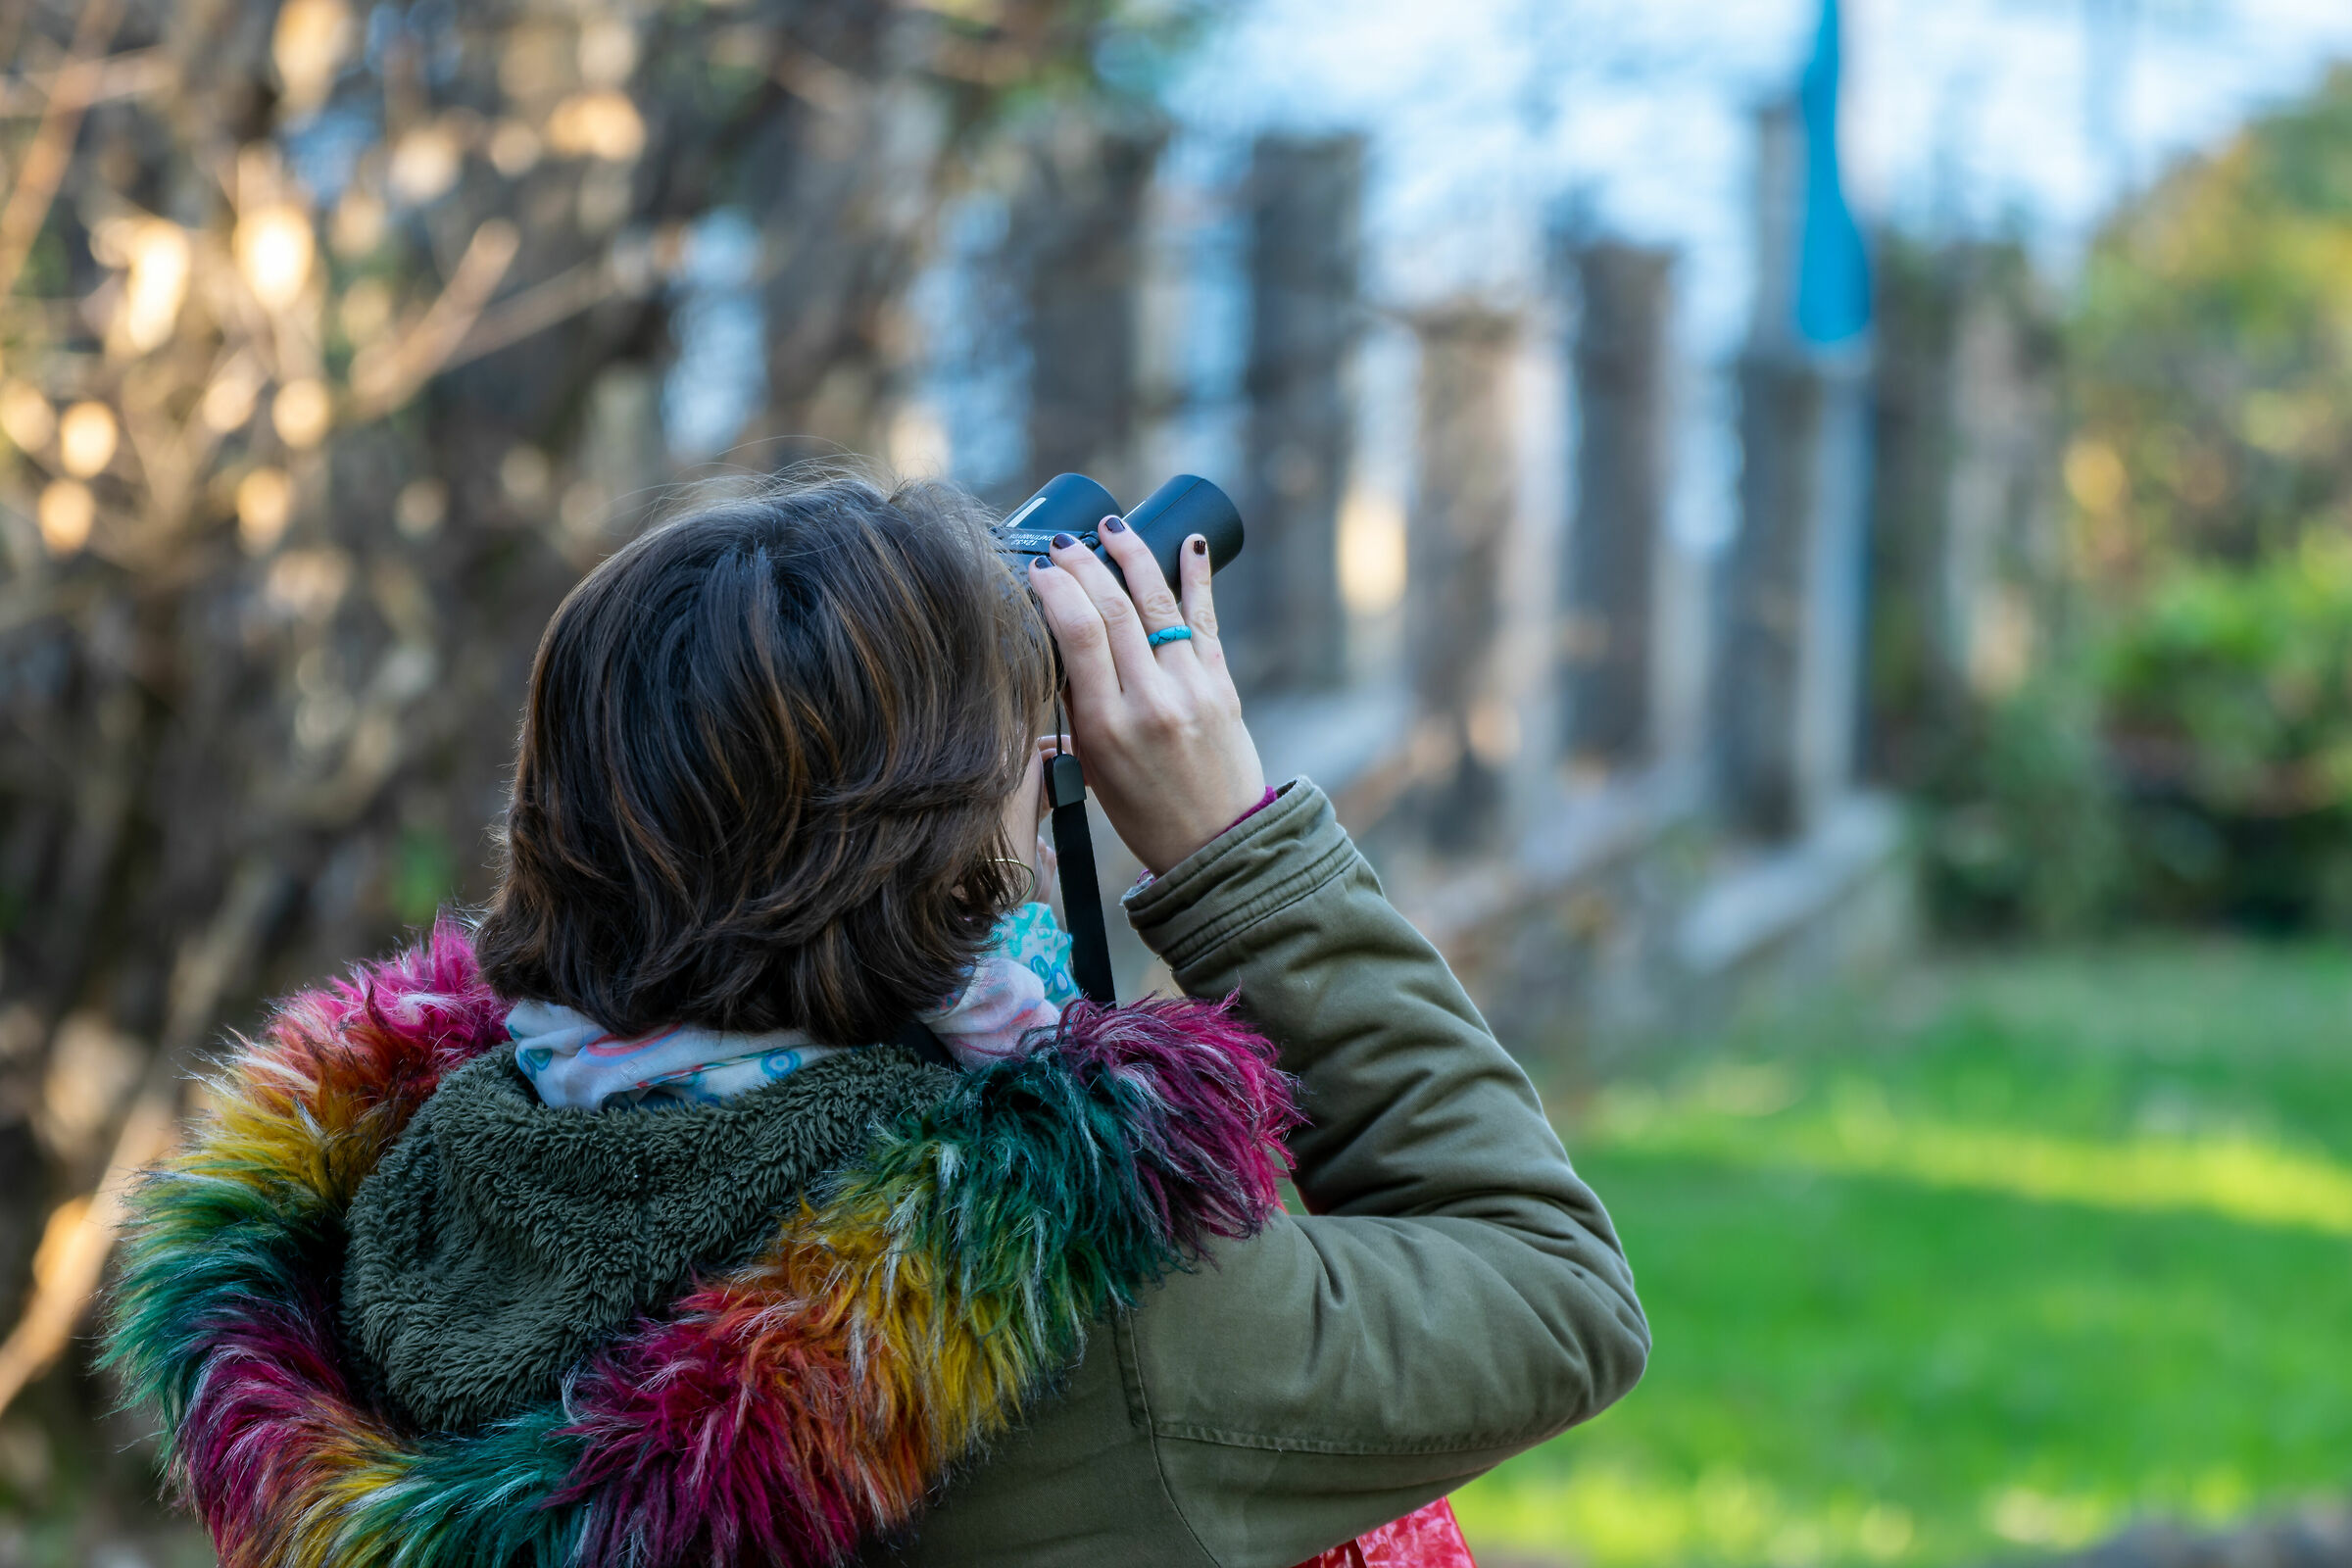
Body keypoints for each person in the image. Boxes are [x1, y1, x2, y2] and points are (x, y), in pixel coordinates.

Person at [101, 471, 1648, 1568]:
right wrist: (1236, 854)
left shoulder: (400, 1207)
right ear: (964, 850)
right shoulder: (1072, 1309)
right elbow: (1556, 1293)